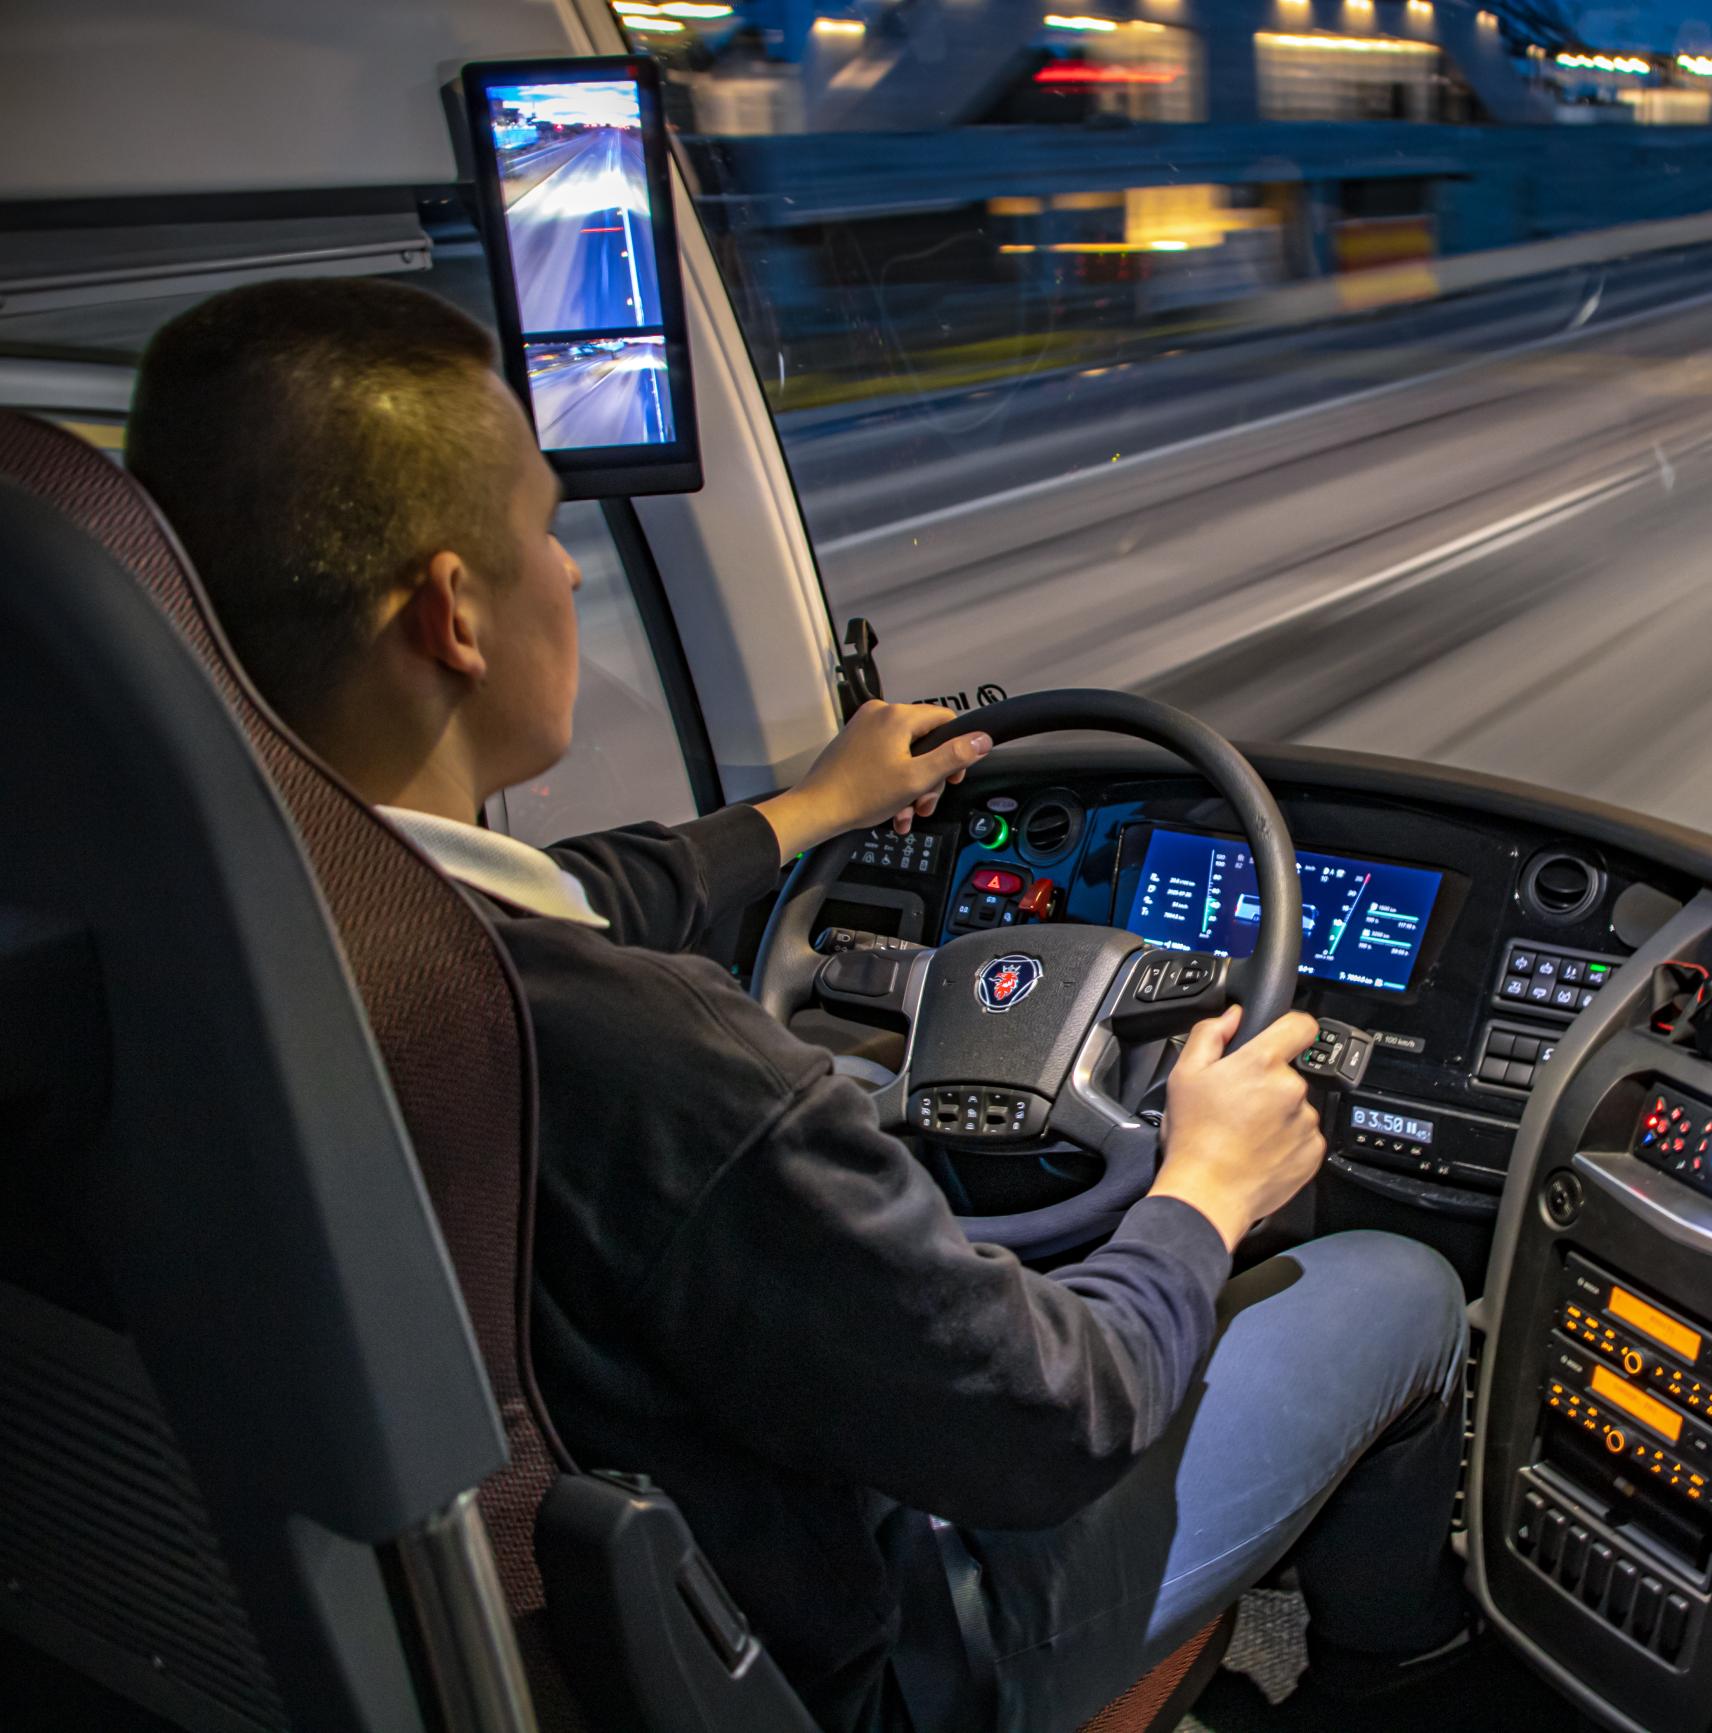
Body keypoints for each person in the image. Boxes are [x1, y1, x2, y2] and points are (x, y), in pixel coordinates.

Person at [125, 277, 1471, 1732]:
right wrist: (1205, 1187)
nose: (571, 576)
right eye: (546, 529)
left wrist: (807, 810)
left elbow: (571, 888)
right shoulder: (658, 1068)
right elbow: (1058, 1417)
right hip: (871, 1658)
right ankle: (1399, 1679)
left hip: (571, 1629)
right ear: (452, 611)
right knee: (1396, 1289)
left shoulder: (232, 936)